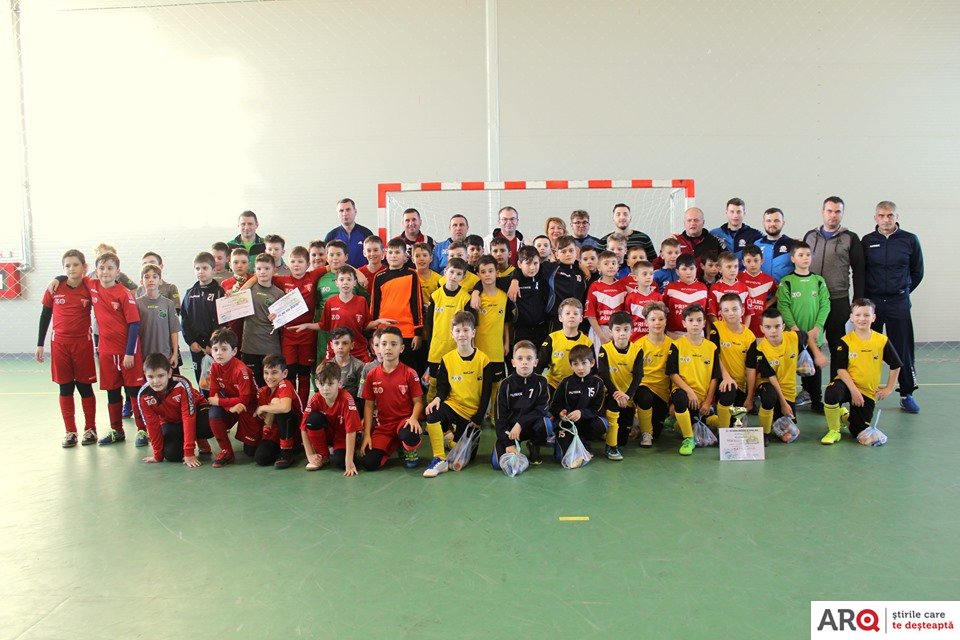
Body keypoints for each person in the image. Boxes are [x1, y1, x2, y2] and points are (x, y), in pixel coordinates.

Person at [861, 201, 924, 413]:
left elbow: (917, 272)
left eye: (890, 215)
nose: (886, 219)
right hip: (873, 303)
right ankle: (865, 391)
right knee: (869, 347)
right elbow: (862, 271)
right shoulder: (868, 241)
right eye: (881, 215)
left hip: (899, 303)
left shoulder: (910, 240)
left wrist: (902, 291)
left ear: (897, 216)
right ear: (875, 218)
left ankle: (907, 394)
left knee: (902, 349)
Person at [422, 311, 496, 478]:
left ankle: (451, 441)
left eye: (466, 330)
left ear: (473, 333)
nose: (462, 334)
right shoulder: (447, 359)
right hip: (454, 405)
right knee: (433, 414)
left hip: (472, 414)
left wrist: (479, 417)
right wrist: (437, 399)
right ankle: (439, 458)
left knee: (462, 460)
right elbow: (442, 388)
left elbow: (486, 393)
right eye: (458, 330)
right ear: (452, 334)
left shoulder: (483, 360)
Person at [36, 249, 98, 447]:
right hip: (60, 346)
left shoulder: (89, 286)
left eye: (76, 265)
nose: (71, 269)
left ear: (84, 267)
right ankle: (70, 431)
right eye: (67, 266)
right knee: (65, 388)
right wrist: (39, 343)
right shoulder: (54, 287)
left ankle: (90, 429)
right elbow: (45, 315)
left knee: (85, 387)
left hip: (83, 345)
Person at [821, 299, 902, 445]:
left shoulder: (881, 340)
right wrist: (854, 391)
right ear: (851, 318)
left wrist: (889, 388)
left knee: (857, 431)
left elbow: (896, 365)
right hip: (848, 385)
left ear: (873, 318)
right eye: (858, 315)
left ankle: (844, 417)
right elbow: (841, 369)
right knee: (832, 393)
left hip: (867, 391)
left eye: (866, 315)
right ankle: (834, 430)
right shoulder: (845, 341)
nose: (862, 319)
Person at [801, 196, 865, 378]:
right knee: (812, 343)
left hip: (838, 300)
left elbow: (859, 270)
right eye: (829, 211)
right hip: (812, 300)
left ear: (842, 214)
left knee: (838, 345)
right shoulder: (810, 236)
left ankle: (835, 385)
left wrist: (857, 301)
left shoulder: (850, 238)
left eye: (838, 211)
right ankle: (811, 390)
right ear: (823, 212)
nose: (833, 215)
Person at [745, 308, 823, 442]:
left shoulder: (794, 337)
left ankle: (774, 421)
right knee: (770, 397)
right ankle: (764, 433)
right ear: (762, 328)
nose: (773, 331)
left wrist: (817, 354)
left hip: (788, 390)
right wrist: (783, 403)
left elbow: (807, 336)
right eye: (768, 327)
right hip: (769, 385)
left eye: (777, 326)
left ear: (783, 326)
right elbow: (772, 378)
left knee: (788, 435)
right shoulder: (761, 350)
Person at [358, 326, 425, 471]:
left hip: (404, 422)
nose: (388, 348)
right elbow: (369, 405)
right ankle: (396, 444)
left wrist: (414, 418)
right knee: (369, 463)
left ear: (401, 348)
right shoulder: (372, 374)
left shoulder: (410, 373)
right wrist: (367, 435)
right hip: (384, 426)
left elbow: (419, 402)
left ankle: (408, 449)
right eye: (384, 344)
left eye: (393, 344)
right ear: (377, 348)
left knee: (410, 434)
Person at [777, 242, 831, 414]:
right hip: (793, 334)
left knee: (814, 368)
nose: (805, 258)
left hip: (814, 334)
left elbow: (825, 305)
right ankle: (786, 400)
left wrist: (818, 326)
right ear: (793, 258)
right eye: (800, 255)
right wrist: (793, 327)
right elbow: (783, 306)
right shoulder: (787, 282)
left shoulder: (818, 281)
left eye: (808, 254)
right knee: (790, 367)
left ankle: (816, 400)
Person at [138, 352, 213, 467]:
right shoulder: (143, 395)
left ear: (169, 373)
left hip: (197, 411)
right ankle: (184, 438)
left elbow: (188, 417)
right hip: (172, 421)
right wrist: (157, 455)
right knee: (172, 454)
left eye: (160, 376)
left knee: (207, 425)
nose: (156, 381)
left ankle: (200, 439)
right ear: (145, 375)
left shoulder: (181, 384)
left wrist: (189, 453)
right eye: (151, 377)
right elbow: (152, 426)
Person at [666, 304, 720, 456]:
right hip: (684, 392)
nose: (695, 324)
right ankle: (688, 438)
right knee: (680, 399)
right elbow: (672, 373)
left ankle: (683, 422)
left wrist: (708, 401)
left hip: (702, 399)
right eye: (691, 320)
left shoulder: (712, 347)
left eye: (699, 320)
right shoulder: (676, 345)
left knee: (706, 420)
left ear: (704, 323)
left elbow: (715, 377)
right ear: (684, 323)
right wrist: (689, 391)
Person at [492, 341, 552, 471]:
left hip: (530, 426)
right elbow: (499, 417)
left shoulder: (541, 382)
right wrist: (508, 443)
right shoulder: (505, 385)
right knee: (498, 464)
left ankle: (534, 445)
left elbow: (542, 410)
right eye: (520, 358)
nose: (524, 362)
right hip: (511, 432)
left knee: (546, 424)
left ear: (535, 362)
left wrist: (520, 424)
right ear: (513, 362)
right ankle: (512, 445)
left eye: (529, 358)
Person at [207, 328, 261, 468]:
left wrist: (221, 402)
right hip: (232, 407)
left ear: (234, 351)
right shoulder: (214, 367)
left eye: (224, 349)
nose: (219, 353)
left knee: (251, 452)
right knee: (213, 414)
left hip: (250, 409)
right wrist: (228, 406)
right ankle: (226, 452)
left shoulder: (241, 370)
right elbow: (213, 395)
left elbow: (245, 400)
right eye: (215, 349)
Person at [369, 238, 424, 372]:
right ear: (385, 255)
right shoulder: (379, 276)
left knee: (408, 369)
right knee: (386, 369)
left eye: (397, 252)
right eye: (390, 252)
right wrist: (373, 332)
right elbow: (374, 306)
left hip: (407, 331)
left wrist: (418, 332)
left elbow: (417, 304)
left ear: (405, 256)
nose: (393, 255)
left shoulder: (412, 274)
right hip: (383, 330)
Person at [424, 258, 473, 402]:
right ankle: (430, 407)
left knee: (453, 381)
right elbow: (429, 323)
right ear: (445, 272)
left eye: (458, 274)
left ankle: (450, 407)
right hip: (437, 346)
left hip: (456, 348)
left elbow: (469, 326)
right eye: (451, 272)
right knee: (433, 382)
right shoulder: (435, 296)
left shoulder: (465, 298)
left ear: (463, 277)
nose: (454, 276)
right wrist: (430, 344)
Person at [301, 361, 361, 475]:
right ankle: (323, 456)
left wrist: (349, 461)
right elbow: (303, 428)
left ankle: (340, 451)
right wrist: (310, 455)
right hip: (328, 435)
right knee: (313, 420)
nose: (325, 388)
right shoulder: (315, 399)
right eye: (322, 384)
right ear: (316, 383)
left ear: (339, 383)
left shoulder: (347, 399)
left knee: (340, 462)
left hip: (343, 437)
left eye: (330, 384)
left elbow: (351, 431)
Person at [597, 311, 643, 460]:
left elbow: (638, 376)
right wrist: (616, 394)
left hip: (628, 396)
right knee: (613, 407)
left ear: (632, 331)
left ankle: (617, 435)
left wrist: (627, 395)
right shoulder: (605, 349)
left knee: (623, 440)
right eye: (617, 329)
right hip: (611, 393)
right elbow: (604, 375)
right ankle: (610, 446)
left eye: (626, 329)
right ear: (611, 332)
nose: (622, 333)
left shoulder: (637, 350)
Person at [550, 344, 607, 464]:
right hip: (568, 424)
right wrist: (560, 412)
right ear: (571, 365)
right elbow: (554, 405)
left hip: (588, 422)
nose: (580, 368)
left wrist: (581, 413)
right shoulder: (565, 382)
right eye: (576, 364)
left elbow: (598, 408)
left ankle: (584, 442)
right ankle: (567, 440)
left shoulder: (598, 383)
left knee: (602, 424)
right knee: (560, 457)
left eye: (584, 363)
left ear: (592, 363)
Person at [628, 301, 673, 448]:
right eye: (653, 319)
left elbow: (676, 374)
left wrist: (672, 401)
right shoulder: (638, 345)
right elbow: (632, 373)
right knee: (644, 398)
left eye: (661, 319)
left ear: (666, 321)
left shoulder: (673, 345)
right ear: (646, 322)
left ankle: (638, 421)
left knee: (658, 432)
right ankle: (646, 434)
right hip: (643, 386)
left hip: (662, 392)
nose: (657, 323)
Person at [709, 294, 757, 428]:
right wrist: (726, 377)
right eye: (726, 310)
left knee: (736, 425)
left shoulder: (750, 337)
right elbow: (715, 356)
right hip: (720, 381)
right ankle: (721, 430)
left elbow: (751, 368)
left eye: (735, 309)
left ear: (742, 311)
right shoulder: (716, 328)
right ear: (721, 313)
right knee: (728, 393)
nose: (731, 313)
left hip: (740, 385)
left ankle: (712, 420)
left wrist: (750, 397)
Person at [475, 256, 514, 419]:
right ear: (478, 275)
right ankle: (477, 413)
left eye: (490, 271)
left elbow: (506, 322)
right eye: (483, 272)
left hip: (497, 349)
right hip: (478, 349)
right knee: (478, 383)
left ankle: (493, 414)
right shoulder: (475, 298)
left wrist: (506, 343)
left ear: (497, 273)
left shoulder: (504, 297)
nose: (487, 275)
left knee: (496, 384)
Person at [181, 252, 225, 388]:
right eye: (197, 268)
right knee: (201, 381)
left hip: (214, 347)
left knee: (217, 381)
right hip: (196, 347)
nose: (201, 271)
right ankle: (203, 401)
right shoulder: (189, 293)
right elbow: (184, 319)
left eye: (205, 268)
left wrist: (213, 344)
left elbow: (222, 321)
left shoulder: (220, 292)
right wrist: (191, 342)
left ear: (213, 270)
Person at [240, 253, 284, 387]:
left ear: (274, 270)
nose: (262, 272)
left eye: (266, 268)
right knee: (252, 386)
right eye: (259, 269)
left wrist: (278, 317)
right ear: (254, 271)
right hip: (250, 347)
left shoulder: (279, 293)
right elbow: (234, 306)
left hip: (270, 347)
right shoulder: (247, 291)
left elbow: (284, 322)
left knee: (271, 385)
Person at [252, 354, 303, 468]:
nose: (269, 377)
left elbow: (285, 407)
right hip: (275, 432)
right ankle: (288, 449)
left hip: (294, 429)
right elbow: (267, 422)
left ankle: (287, 451)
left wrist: (263, 408)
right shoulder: (263, 391)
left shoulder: (285, 384)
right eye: (266, 373)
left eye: (274, 372)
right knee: (260, 458)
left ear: (284, 373)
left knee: (277, 403)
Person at [315, 266, 371, 363]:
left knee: (368, 369)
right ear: (336, 282)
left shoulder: (361, 301)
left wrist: (379, 322)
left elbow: (367, 324)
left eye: (349, 279)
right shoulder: (330, 302)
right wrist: (306, 326)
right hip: (336, 349)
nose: (345, 282)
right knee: (324, 370)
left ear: (355, 282)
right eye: (341, 279)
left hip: (358, 348)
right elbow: (323, 325)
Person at [538, 298, 593, 390]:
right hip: (554, 385)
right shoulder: (552, 338)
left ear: (581, 318)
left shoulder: (587, 342)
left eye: (575, 313)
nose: (571, 316)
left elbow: (592, 370)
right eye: (567, 313)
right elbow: (540, 365)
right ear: (560, 317)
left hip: (578, 386)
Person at [136, 264, 181, 373]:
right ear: (141, 281)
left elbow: (174, 331)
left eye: (154, 277)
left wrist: (175, 354)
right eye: (147, 277)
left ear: (160, 281)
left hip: (164, 354)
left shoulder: (168, 304)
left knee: (163, 381)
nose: (151, 280)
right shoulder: (137, 303)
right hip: (144, 355)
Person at [508, 246, 552, 354]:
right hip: (521, 331)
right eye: (528, 263)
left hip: (542, 330)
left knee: (541, 361)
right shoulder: (511, 282)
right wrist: (476, 291)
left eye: (535, 263)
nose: (532, 267)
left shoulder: (543, 275)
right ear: (519, 264)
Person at [654, 207, 722, 274]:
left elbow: (722, 264)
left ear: (703, 222)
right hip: (679, 280)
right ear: (684, 223)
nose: (692, 223)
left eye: (696, 220)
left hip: (705, 281)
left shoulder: (714, 241)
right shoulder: (676, 241)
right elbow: (657, 264)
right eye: (689, 220)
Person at [585, 250, 628, 346]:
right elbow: (590, 315)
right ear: (599, 267)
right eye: (606, 263)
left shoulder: (623, 286)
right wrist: (602, 336)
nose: (611, 266)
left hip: (619, 330)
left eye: (613, 263)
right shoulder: (594, 287)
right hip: (599, 330)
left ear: (618, 266)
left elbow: (627, 313)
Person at [661, 254, 708, 337]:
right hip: (674, 334)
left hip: (698, 334)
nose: (688, 272)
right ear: (677, 271)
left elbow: (707, 313)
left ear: (696, 269)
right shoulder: (670, 287)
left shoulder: (703, 288)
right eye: (684, 269)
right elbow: (663, 310)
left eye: (691, 268)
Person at [324, 198, 375, 269]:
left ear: (355, 211)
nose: (345, 213)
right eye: (341, 211)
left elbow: (374, 257)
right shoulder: (331, 236)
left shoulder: (366, 233)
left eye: (348, 210)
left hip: (362, 274)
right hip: (338, 275)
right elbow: (325, 261)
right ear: (338, 214)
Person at [739, 245, 777, 338]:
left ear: (762, 261)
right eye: (748, 261)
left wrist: (767, 304)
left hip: (760, 327)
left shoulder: (769, 280)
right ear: (743, 262)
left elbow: (778, 293)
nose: (752, 264)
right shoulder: (737, 278)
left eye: (756, 260)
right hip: (741, 326)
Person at [707, 251, 750, 324]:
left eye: (735, 266)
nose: (733, 270)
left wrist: (744, 329)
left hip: (740, 329)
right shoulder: (715, 288)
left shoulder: (744, 288)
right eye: (729, 267)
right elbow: (712, 314)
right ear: (719, 269)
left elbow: (749, 313)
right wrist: (721, 329)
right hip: (722, 329)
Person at [624, 260, 662, 341]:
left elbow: (662, 319)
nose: (648, 277)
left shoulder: (658, 297)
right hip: (635, 339)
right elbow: (627, 320)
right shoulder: (630, 297)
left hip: (654, 339)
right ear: (635, 277)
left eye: (651, 274)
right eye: (644, 274)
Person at [326, 327, 365, 402]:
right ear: (331, 345)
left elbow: (361, 393)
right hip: (332, 403)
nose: (340, 347)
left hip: (353, 403)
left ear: (352, 345)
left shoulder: (359, 366)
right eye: (336, 343)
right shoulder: (327, 367)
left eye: (345, 343)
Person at [755, 208, 794, 281]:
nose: (772, 224)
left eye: (776, 221)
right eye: (768, 221)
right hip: (761, 287)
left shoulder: (793, 244)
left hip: (785, 287)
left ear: (783, 223)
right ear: (763, 223)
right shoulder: (756, 245)